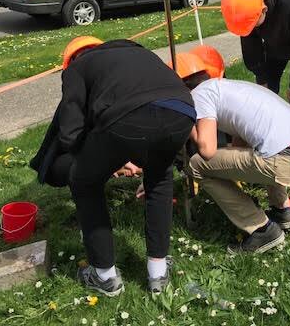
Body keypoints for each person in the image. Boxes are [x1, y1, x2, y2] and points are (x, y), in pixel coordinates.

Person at [38, 36, 196, 296]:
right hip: (182, 111)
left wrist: (92, 159)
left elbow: (69, 133)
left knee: (85, 182)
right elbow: (148, 102)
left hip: (127, 117)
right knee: (160, 179)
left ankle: (104, 276)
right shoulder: (135, 51)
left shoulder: (77, 69)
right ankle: (158, 274)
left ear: (71, 60)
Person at [184, 70, 290, 254]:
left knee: (196, 165)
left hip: (288, 160)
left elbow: (206, 150)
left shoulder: (199, 94)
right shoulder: (232, 88)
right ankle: (282, 211)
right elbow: (240, 142)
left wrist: (187, 122)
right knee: (264, 145)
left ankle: (261, 229)